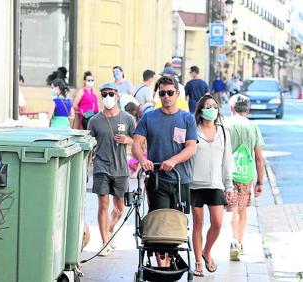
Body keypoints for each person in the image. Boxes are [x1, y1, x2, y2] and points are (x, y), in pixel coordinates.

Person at [132, 76, 198, 267]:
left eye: (170, 93)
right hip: (158, 180)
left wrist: (173, 160)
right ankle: (163, 268)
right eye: (162, 93)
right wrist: (143, 160)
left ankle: (171, 261)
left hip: (180, 179)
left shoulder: (187, 118)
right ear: (158, 94)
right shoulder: (149, 117)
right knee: (161, 226)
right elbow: (136, 144)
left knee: (177, 226)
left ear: (177, 94)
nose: (167, 97)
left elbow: (191, 147)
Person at [88, 83, 136, 256]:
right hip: (101, 166)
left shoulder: (128, 119)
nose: (108, 96)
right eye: (104, 94)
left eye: (111, 93)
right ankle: (103, 241)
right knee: (103, 204)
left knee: (119, 208)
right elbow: (89, 145)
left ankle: (109, 230)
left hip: (121, 168)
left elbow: (137, 140)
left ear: (117, 96)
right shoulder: (94, 120)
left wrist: (127, 140)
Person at [190, 95, 234, 277]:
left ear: (218, 109)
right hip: (195, 185)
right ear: (200, 110)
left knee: (217, 223)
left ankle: (206, 251)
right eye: (207, 106)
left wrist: (229, 185)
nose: (211, 109)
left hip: (216, 185)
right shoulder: (193, 130)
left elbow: (227, 161)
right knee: (198, 224)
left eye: (214, 106)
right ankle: (199, 262)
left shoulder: (223, 132)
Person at [226, 94, 264, 261]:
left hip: (228, 174)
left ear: (231, 108)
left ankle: (233, 240)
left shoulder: (225, 125)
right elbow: (258, 158)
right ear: (247, 110)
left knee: (231, 209)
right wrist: (260, 181)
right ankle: (240, 243)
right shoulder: (253, 127)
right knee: (242, 210)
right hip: (245, 174)